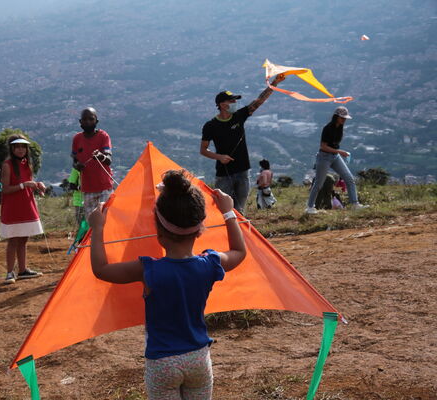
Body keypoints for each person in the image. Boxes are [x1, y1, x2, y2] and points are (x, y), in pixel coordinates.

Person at [88, 170, 247, 400]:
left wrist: (98, 228)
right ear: (200, 230)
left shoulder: (148, 269)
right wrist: (228, 212)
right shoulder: (210, 264)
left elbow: (101, 269)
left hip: (162, 363)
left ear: (159, 233)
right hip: (198, 359)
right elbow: (239, 252)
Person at [200, 74, 285, 215]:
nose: (235, 102)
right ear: (222, 104)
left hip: (243, 171)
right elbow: (203, 150)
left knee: (240, 210)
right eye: (231, 100)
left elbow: (259, 101)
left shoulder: (239, 116)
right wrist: (219, 157)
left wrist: (274, 83)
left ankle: (240, 234)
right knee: (222, 210)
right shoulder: (210, 125)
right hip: (224, 174)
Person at [0, 134, 46, 283]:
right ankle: (9, 272)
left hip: (26, 205)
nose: (20, 150)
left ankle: (22, 270)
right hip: (13, 207)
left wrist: (38, 185)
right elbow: (5, 189)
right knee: (13, 240)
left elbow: (28, 182)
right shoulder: (7, 165)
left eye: (23, 147)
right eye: (17, 147)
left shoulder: (27, 164)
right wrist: (24, 185)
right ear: (12, 148)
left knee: (24, 239)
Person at [305, 107, 368, 214]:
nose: (344, 120)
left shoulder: (340, 128)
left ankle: (355, 204)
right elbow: (323, 146)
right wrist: (340, 152)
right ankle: (310, 207)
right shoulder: (327, 128)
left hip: (334, 156)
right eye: (342, 117)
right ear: (336, 117)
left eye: (345, 118)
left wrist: (338, 152)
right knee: (318, 184)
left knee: (349, 179)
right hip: (324, 157)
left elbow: (334, 145)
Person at [71, 107, 113, 217]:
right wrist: (77, 166)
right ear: (80, 122)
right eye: (85, 119)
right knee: (92, 221)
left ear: (96, 121)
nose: (88, 122)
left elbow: (109, 160)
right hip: (87, 188)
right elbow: (74, 161)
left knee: (105, 218)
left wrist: (100, 156)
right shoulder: (77, 139)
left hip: (104, 187)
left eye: (91, 119)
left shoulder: (103, 136)